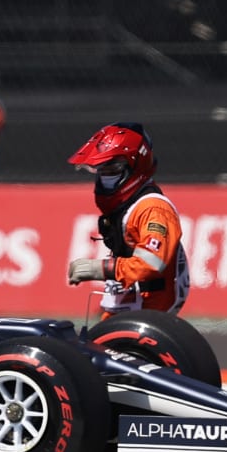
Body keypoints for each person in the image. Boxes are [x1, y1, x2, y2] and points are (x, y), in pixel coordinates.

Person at [65, 123, 189, 318]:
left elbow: (150, 263)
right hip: (128, 303)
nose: (104, 177)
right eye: (100, 171)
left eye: (111, 169)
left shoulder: (152, 209)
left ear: (135, 166)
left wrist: (100, 269)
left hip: (151, 308)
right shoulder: (126, 207)